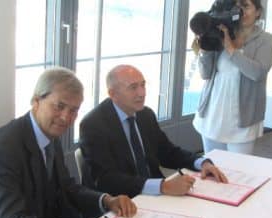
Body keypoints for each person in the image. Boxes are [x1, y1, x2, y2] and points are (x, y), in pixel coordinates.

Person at [0, 67, 136, 218]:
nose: (65, 117)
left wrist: (107, 200)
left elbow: (65, 187)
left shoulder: (49, 134)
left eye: (73, 110)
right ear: (36, 101)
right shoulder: (5, 147)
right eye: (59, 106)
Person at [79, 65, 228, 198]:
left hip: (154, 195)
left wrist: (201, 163)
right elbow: (106, 179)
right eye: (133, 87)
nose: (141, 93)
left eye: (143, 85)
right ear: (113, 94)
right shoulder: (93, 125)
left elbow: (168, 152)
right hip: (120, 201)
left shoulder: (145, 114)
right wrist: (162, 186)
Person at [193, 0, 272, 155]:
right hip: (213, 114)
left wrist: (231, 49)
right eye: (236, 7)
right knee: (212, 170)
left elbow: (257, 73)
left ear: (258, 12)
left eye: (245, 6)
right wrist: (204, 47)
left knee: (238, 171)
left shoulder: (266, 40)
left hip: (242, 119)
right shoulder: (222, 33)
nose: (240, 11)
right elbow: (205, 73)